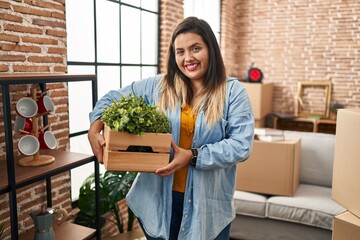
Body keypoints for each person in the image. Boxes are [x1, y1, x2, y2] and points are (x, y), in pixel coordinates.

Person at [88, 16, 254, 240]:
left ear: (211, 49)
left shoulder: (233, 93)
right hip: (157, 201)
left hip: (206, 209)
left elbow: (241, 145)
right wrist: (94, 129)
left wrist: (193, 156)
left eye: (196, 48)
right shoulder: (157, 86)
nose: (188, 58)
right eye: (180, 52)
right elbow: (113, 98)